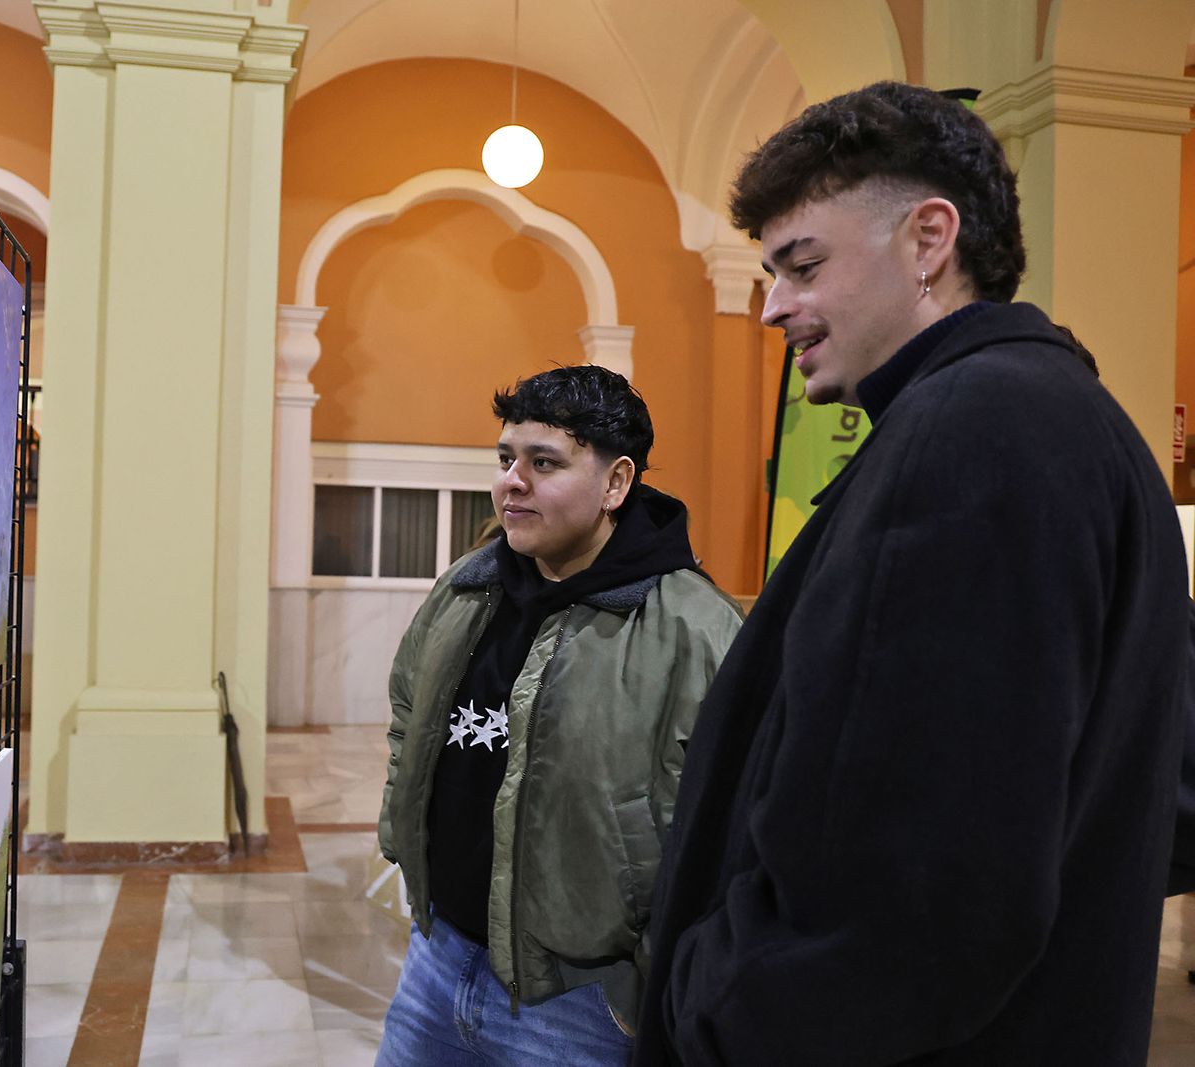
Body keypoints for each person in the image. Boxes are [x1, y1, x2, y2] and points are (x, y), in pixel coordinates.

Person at [634, 81, 1189, 1065]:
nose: (774, 307)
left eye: (802, 264)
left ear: (930, 238)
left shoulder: (973, 430)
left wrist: (710, 1000)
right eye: (769, 272)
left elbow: (913, 898)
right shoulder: (1061, 415)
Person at [375, 365, 743, 1066]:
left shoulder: (697, 630)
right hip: (437, 959)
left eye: (544, 463)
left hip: (579, 1002)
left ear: (615, 483)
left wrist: (648, 972)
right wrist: (402, 835)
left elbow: (728, 827)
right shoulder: (466, 586)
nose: (513, 480)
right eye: (506, 458)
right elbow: (406, 711)